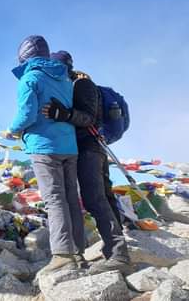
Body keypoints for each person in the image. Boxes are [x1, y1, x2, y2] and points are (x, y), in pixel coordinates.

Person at [42, 51, 131, 274]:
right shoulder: (72, 85)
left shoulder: (82, 85)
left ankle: (118, 254)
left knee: (94, 199)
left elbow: (88, 118)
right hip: (89, 147)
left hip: (89, 147)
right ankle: (115, 247)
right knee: (104, 196)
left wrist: (64, 115)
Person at [5, 35, 83, 274]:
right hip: (69, 146)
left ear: (23, 57)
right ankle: (79, 250)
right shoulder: (65, 78)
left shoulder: (30, 77)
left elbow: (27, 113)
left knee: (54, 199)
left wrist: (12, 130)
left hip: (43, 146)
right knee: (71, 198)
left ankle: (61, 254)